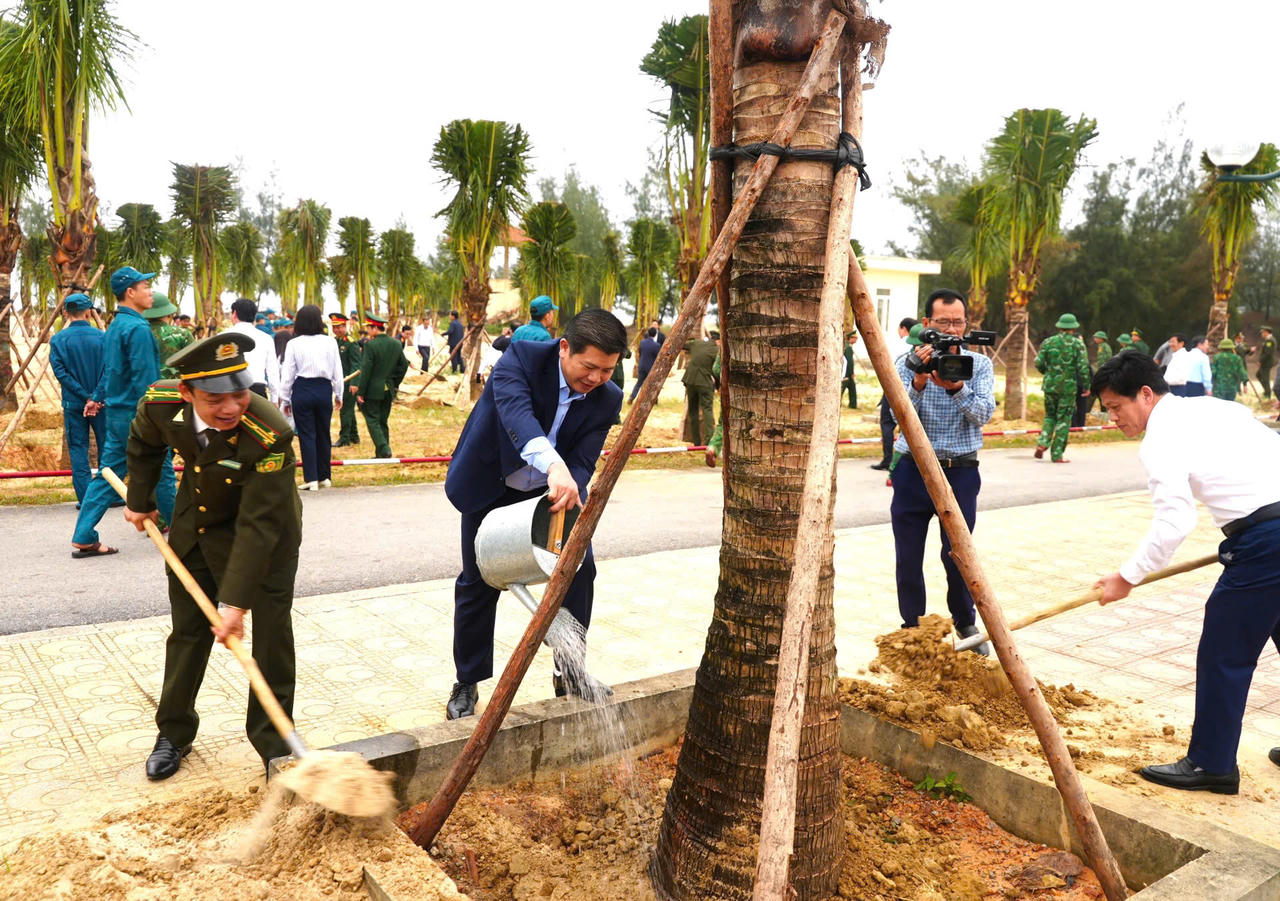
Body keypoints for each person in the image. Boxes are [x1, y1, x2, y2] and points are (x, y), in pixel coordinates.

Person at [1091, 352, 1280, 794]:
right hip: (1268, 533)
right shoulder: (1215, 407)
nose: (1113, 418)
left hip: (1265, 542)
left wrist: (1127, 576)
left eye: (1116, 407)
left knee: (1224, 650)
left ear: (1145, 394)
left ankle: (1211, 763)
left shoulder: (1161, 438)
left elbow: (1175, 522)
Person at [125, 332, 303, 780]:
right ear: (187, 392)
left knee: (271, 640)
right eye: (215, 398)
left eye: (239, 393)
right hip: (197, 527)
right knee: (188, 632)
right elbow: (144, 444)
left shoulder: (270, 432)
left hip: (267, 535)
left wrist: (235, 605)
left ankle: (275, 745)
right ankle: (174, 732)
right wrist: (140, 500)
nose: (231, 407)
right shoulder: (162, 404)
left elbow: (258, 525)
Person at [443, 309, 626, 719]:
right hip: (492, 484)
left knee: (579, 571)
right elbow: (518, 418)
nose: (596, 378)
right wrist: (553, 466)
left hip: (552, 495)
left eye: (607, 370)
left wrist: (567, 482)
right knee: (479, 580)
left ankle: (570, 671)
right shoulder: (522, 358)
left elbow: (583, 460)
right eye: (589, 366)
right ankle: (467, 681)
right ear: (565, 348)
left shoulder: (608, 398)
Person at [889, 289, 996, 653]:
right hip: (913, 470)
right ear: (927, 323)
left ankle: (965, 622)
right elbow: (897, 414)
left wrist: (957, 388)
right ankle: (912, 627)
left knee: (959, 554)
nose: (952, 330)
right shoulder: (907, 363)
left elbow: (983, 415)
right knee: (908, 555)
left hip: (960, 471)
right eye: (944, 322)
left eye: (958, 322)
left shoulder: (979, 365)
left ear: (967, 324)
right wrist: (919, 381)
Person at [71, 267, 177, 557]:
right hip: (139, 415)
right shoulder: (138, 329)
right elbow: (147, 381)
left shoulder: (115, 326)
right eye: (145, 287)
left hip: (117, 413)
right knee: (163, 471)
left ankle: (83, 535)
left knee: (108, 474)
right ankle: (185, 536)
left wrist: (98, 398)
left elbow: (110, 371)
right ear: (130, 292)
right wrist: (158, 419)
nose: (150, 292)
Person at [48, 293, 106, 505]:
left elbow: (61, 374)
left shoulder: (58, 340)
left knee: (78, 449)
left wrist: (84, 397)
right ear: (89, 312)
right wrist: (95, 397)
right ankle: (107, 495)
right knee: (107, 447)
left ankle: (87, 499)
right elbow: (109, 370)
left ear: (65, 313)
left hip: (74, 404)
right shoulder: (102, 337)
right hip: (101, 405)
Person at [280, 304, 344, 491]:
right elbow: (337, 371)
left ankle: (312, 479)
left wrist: (285, 399)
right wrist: (339, 394)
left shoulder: (294, 344)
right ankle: (325, 477)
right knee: (324, 433)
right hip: (324, 389)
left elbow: (288, 374)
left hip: (302, 389)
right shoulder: (330, 342)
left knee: (307, 434)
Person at [1033, 313, 1090, 463]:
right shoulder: (1077, 344)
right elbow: (1083, 367)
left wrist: (1048, 374)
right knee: (1064, 419)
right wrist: (1086, 386)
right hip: (1068, 388)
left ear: (1059, 327)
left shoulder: (1048, 342)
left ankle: (1042, 443)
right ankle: (1057, 454)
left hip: (1049, 387)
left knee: (1050, 416)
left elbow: (1038, 362)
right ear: (1073, 328)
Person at [355, 312, 409, 458]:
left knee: (372, 419)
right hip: (388, 389)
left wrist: (361, 391)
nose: (368, 331)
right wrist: (395, 383)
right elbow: (403, 365)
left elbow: (366, 370)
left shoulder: (370, 345)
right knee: (382, 420)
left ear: (374, 328)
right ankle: (381, 453)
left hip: (373, 390)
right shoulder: (396, 343)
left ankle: (384, 448)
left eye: (369, 328)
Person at [871, 317, 918, 471]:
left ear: (903, 328)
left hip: (894, 388)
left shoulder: (899, 344)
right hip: (916, 388)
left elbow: (887, 365)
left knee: (887, 423)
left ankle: (888, 459)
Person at [226, 298, 280, 400]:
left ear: (234, 314)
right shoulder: (266, 338)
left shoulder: (223, 337)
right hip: (258, 391)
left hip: (230, 392)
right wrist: (275, 398)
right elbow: (272, 371)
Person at [329, 312, 363, 448]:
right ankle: (354, 436)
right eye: (334, 327)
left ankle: (344, 438)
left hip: (349, 381)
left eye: (339, 327)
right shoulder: (335, 342)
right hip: (340, 381)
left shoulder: (351, 343)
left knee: (345, 409)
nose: (336, 330)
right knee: (348, 409)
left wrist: (354, 383)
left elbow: (356, 365)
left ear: (345, 326)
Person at [143, 292, 193, 379]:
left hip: (145, 386)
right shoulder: (183, 334)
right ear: (170, 315)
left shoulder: (137, 334)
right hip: (174, 386)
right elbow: (194, 364)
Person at [682, 329, 718, 445]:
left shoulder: (697, 343)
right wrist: (718, 386)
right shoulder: (716, 350)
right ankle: (708, 442)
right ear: (718, 341)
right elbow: (717, 370)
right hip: (704, 382)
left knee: (693, 412)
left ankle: (696, 442)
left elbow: (683, 345)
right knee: (707, 410)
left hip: (690, 380)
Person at [629, 327, 662, 403]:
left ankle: (632, 397)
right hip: (650, 367)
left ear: (648, 333)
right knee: (652, 384)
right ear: (655, 335)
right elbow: (657, 357)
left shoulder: (642, 343)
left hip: (642, 365)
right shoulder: (657, 345)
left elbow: (640, 353)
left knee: (639, 383)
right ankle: (654, 400)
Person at [1256, 326, 1276, 399]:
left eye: (1263, 332)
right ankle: (1266, 391)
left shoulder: (1270, 340)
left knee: (1265, 378)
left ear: (1267, 332)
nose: (1262, 334)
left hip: (1267, 362)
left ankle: (1267, 394)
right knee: (1259, 375)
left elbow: (1267, 353)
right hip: (1266, 362)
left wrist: (1260, 361)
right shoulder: (1268, 340)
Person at [841, 331, 859, 410]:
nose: (856, 340)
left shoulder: (847, 346)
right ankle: (852, 404)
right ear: (851, 338)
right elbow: (849, 362)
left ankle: (853, 405)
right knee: (842, 388)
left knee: (852, 388)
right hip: (847, 373)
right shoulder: (848, 348)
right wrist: (851, 372)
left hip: (846, 372)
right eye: (855, 338)